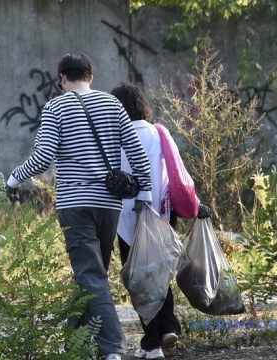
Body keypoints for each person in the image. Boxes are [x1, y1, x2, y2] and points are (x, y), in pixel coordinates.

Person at [5, 54, 153, 360]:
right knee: (89, 273)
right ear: (91, 77)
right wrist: (145, 191)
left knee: (90, 275)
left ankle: (111, 348)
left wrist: (15, 178)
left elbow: (44, 154)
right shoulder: (112, 105)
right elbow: (136, 150)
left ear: (62, 78)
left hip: (76, 203)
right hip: (110, 203)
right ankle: (74, 342)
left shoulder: (56, 106)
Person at [111, 83, 211, 360]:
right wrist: (196, 203)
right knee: (160, 269)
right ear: (143, 105)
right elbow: (179, 175)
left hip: (127, 217)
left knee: (139, 277)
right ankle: (168, 327)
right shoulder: (159, 133)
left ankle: (152, 343)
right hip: (164, 213)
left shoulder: (115, 136)